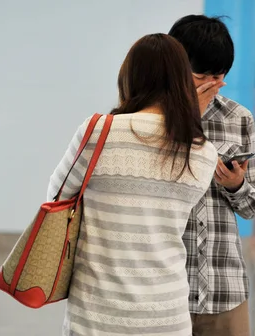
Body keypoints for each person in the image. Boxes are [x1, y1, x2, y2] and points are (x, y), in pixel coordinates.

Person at [47, 34, 218, 335]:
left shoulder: (98, 131)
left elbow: (57, 197)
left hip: (97, 316)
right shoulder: (203, 151)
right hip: (168, 317)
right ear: (182, 81)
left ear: (130, 77)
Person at [169, 15, 255, 336]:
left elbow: (251, 207)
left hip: (225, 289)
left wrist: (236, 185)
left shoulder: (240, 118)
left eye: (218, 77)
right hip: (163, 292)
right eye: (200, 76)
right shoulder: (149, 116)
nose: (210, 84)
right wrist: (188, 113)